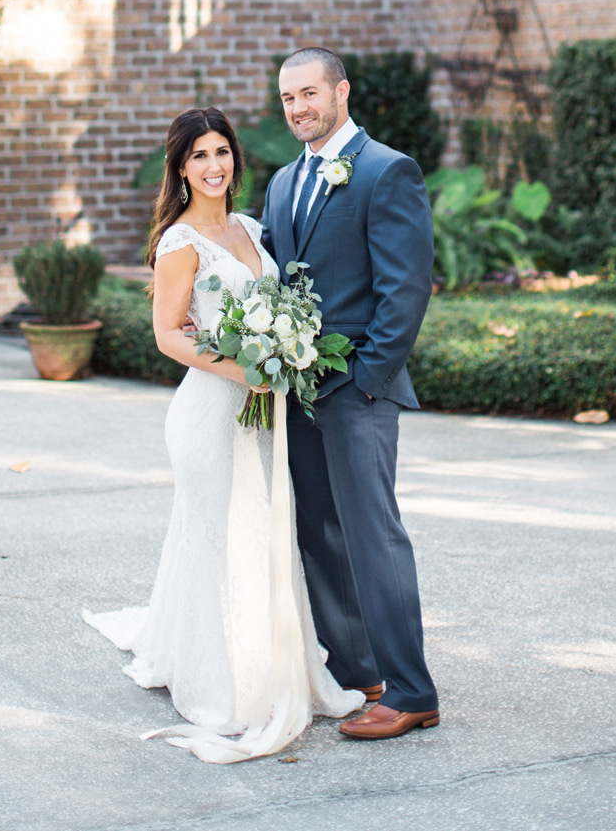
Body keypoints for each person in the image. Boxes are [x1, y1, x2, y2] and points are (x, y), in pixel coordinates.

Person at [83, 107, 363, 764]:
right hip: (211, 411)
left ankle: (282, 667)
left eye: (222, 152)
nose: (214, 166)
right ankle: (224, 685)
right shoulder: (181, 242)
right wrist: (242, 365)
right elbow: (169, 332)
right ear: (180, 168)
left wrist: (285, 351)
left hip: (265, 412)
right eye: (200, 156)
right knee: (219, 539)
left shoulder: (249, 227)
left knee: (263, 535)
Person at [261, 47, 440, 740]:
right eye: (287, 98)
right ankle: (359, 670)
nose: (298, 107)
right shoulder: (281, 182)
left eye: (309, 93)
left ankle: (411, 690)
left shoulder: (384, 170)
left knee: (373, 538)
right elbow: (275, 274)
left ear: (340, 90)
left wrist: (366, 382)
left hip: (358, 390)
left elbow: (403, 290)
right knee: (318, 535)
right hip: (298, 391)